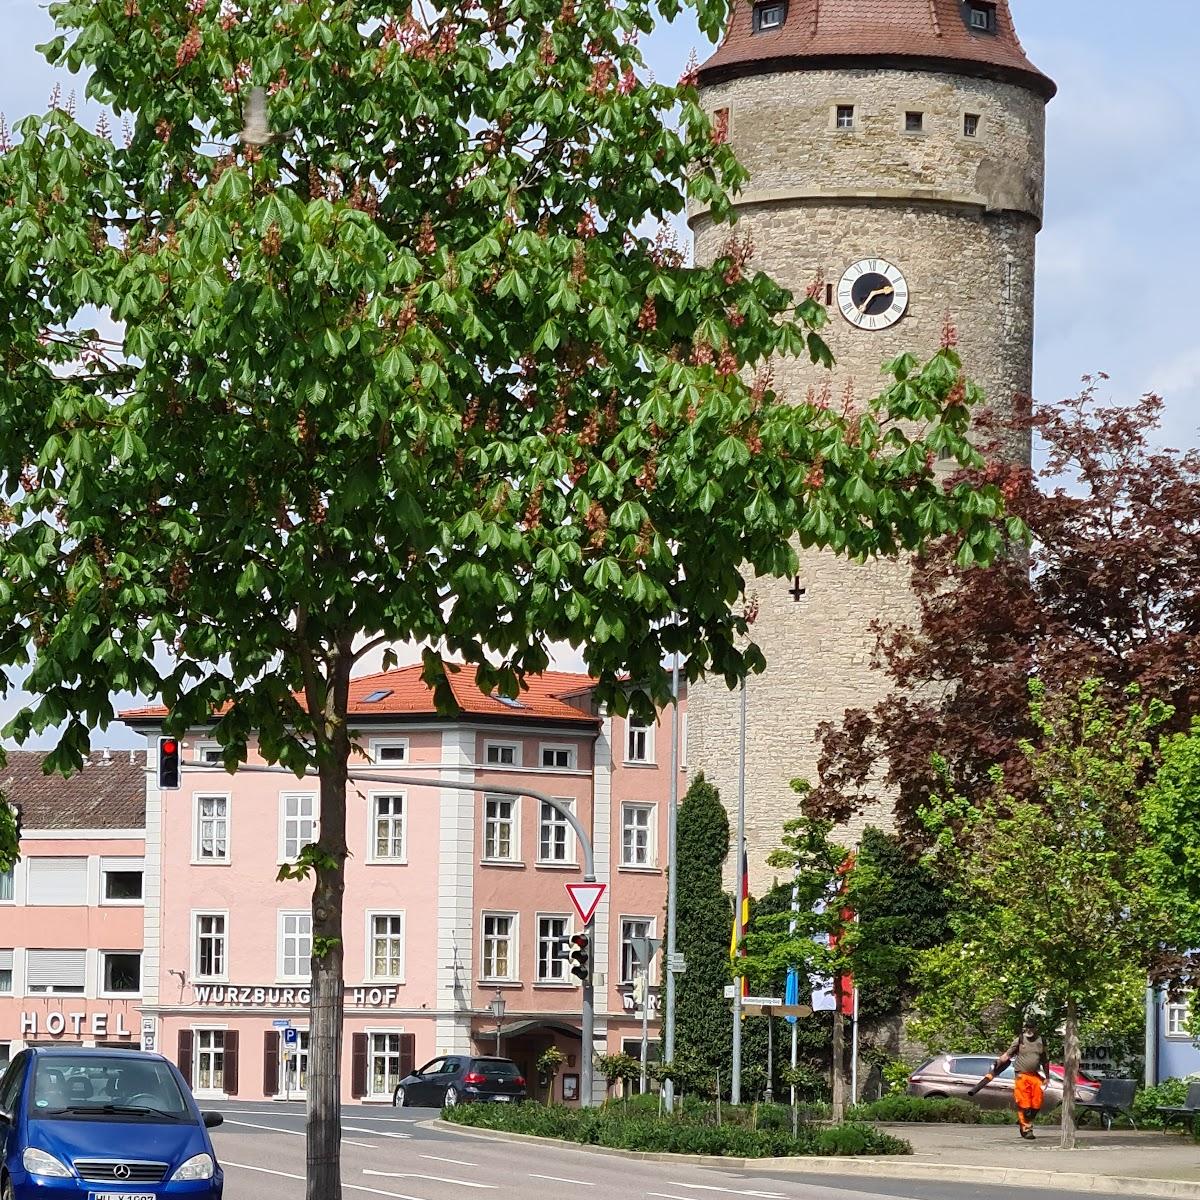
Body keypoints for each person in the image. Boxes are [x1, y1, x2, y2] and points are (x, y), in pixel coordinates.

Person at [968, 1016, 1051, 1139]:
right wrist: (997, 1063)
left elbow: (1045, 1061)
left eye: (1031, 1027)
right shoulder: (1020, 1040)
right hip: (1021, 1075)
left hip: (1035, 1076)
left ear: (1035, 1028)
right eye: (1027, 1027)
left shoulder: (1041, 1042)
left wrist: (1047, 1076)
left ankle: (1025, 1120)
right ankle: (1026, 1129)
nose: (1029, 1029)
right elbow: (1007, 1055)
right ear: (1025, 1027)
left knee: (1036, 1104)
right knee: (1025, 1105)